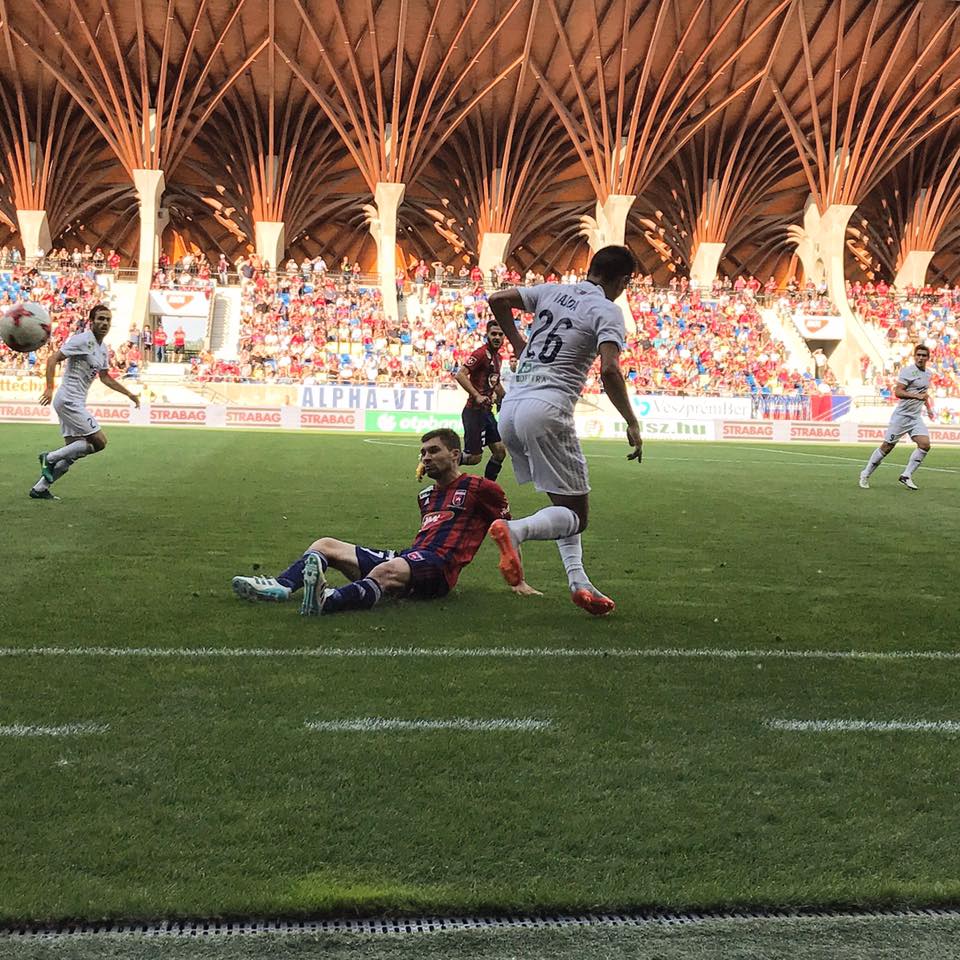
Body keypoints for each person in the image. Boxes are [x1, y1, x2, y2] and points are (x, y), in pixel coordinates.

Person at [485, 244, 643, 617]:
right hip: (547, 409)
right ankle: (515, 531)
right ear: (623, 281)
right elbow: (609, 370)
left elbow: (497, 299)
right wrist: (632, 421)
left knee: (563, 503)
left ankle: (579, 582)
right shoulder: (607, 310)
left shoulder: (551, 290)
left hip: (511, 410)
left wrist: (518, 342)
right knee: (577, 516)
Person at [231, 428, 537, 612]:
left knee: (385, 570)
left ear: (455, 455)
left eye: (434, 451)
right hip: (412, 558)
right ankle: (282, 587)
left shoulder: (481, 488)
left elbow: (507, 531)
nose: (426, 458)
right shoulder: (426, 496)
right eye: (422, 453)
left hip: (440, 568)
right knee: (325, 545)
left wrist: (518, 580)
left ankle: (328, 601)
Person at [30, 304, 140, 501]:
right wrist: (49, 387)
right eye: (100, 319)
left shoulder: (103, 349)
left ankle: (40, 489)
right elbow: (52, 359)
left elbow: (105, 377)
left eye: (107, 319)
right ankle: (50, 457)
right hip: (68, 399)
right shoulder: (81, 340)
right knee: (99, 442)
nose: (104, 323)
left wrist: (129, 394)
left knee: (71, 455)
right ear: (91, 321)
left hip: (76, 402)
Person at [859, 343, 933, 491]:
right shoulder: (908, 371)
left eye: (924, 355)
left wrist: (929, 408)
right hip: (902, 416)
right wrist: (916, 396)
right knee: (887, 447)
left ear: (928, 358)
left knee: (925, 445)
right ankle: (865, 474)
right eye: (918, 355)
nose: (920, 358)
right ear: (914, 356)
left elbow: (924, 394)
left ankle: (906, 475)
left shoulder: (928, 374)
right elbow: (898, 392)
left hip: (915, 417)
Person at [453, 320, 507, 482]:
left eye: (500, 334)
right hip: (474, 412)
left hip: (486, 413)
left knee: (500, 452)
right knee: (474, 458)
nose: (497, 337)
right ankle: (437, 460)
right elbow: (460, 375)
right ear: (487, 335)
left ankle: (488, 488)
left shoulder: (498, 357)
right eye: (493, 334)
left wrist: (507, 398)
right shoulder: (480, 354)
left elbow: (495, 383)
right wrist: (477, 395)